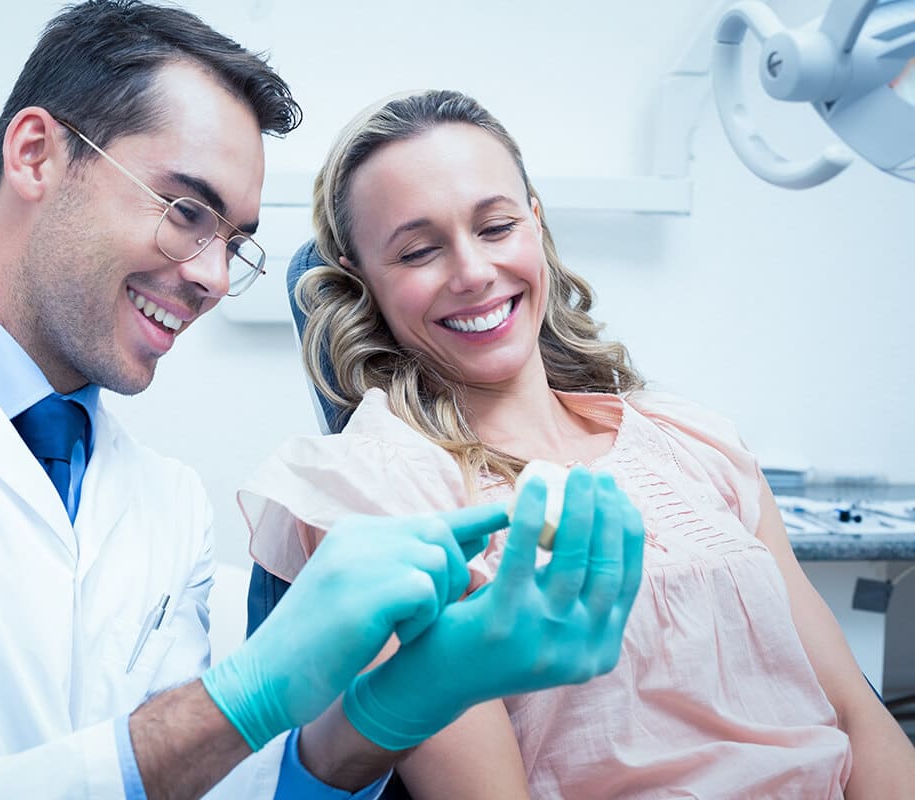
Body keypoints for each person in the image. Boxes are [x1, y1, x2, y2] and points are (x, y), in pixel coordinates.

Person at [0, 5, 647, 799]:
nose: (209, 277)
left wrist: (382, 714)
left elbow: (199, 778)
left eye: (233, 239)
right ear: (38, 154)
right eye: (185, 210)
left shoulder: (165, 502)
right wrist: (248, 695)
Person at [239, 88, 915, 798]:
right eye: (417, 251)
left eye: (496, 227)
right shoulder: (382, 495)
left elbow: (857, 714)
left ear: (536, 223)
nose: (472, 273)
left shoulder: (695, 440)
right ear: (361, 281)